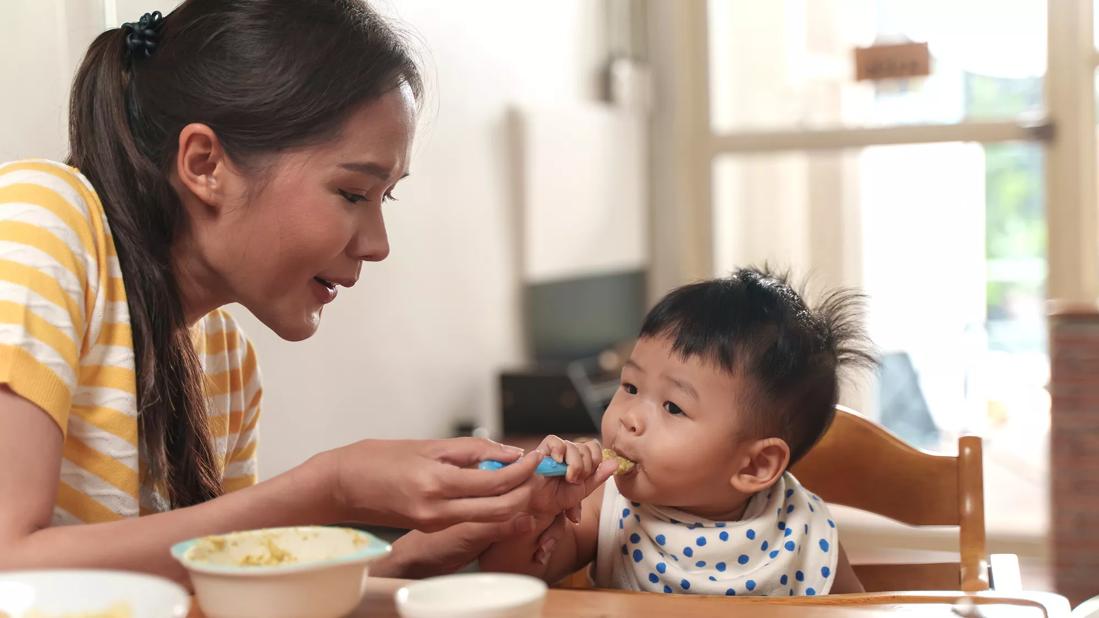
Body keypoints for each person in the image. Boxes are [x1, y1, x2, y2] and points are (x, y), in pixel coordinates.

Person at [0, 0, 602, 582]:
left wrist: (410, 559)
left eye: (384, 197)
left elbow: (221, 592)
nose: (378, 244)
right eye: (352, 193)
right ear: (205, 163)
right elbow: (10, 563)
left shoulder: (225, 364)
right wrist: (329, 489)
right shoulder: (41, 220)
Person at [478, 267, 873, 595]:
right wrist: (540, 509)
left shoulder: (805, 532)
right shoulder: (608, 507)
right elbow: (510, 580)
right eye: (630, 386)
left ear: (754, 465)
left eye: (672, 407)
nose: (629, 417)